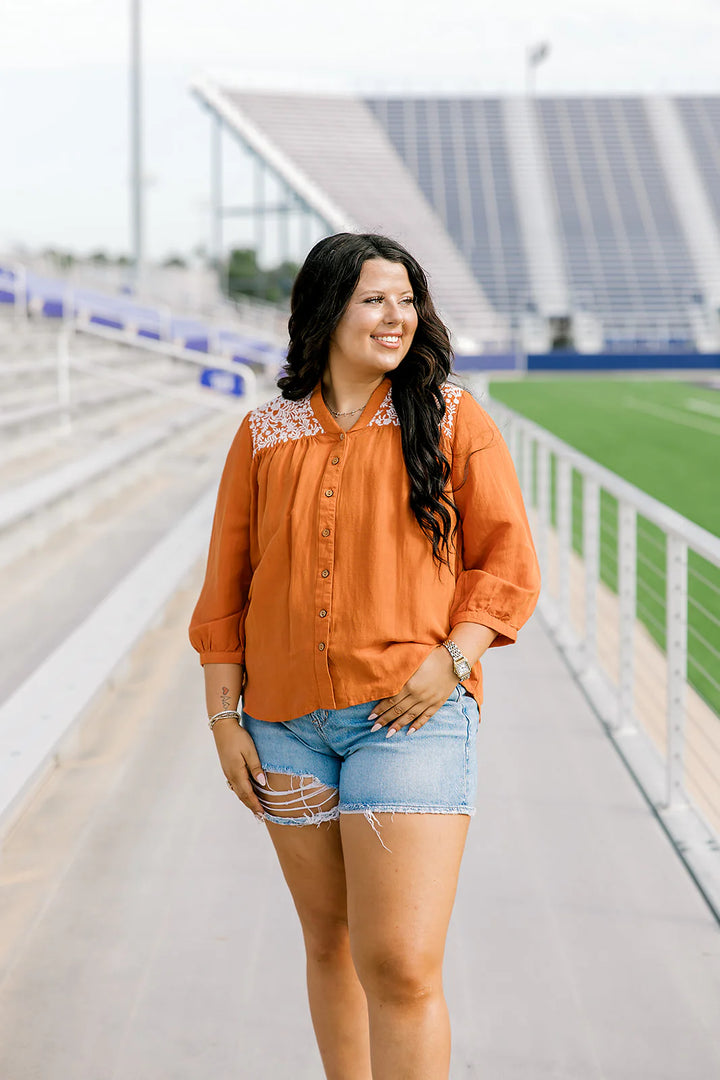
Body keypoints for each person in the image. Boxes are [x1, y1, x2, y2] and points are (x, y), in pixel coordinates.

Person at [189, 232, 541, 1079]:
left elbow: (510, 563)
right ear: (325, 309)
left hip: (409, 718)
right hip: (283, 729)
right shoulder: (264, 433)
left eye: (408, 299)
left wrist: (451, 660)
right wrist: (222, 718)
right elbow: (226, 586)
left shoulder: (455, 417)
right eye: (375, 299)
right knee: (330, 943)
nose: (397, 317)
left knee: (402, 964)